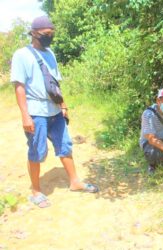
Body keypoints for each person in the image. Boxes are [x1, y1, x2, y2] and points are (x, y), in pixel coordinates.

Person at [10, 16, 98, 208]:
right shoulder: (21, 55)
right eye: (46, 34)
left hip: (55, 111)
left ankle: (75, 182)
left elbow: (54, 83)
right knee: (37, 150)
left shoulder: (50, 53)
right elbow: (19, 87)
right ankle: (36, 191)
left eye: (52, 34)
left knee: (65, 145)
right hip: (36, 111)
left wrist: (63, 105)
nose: (49, 37)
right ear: (34, 33)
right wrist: (25, 115)